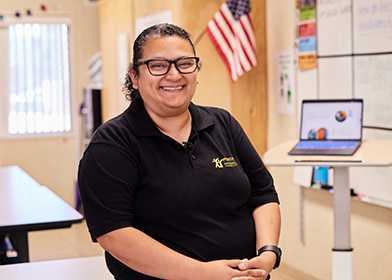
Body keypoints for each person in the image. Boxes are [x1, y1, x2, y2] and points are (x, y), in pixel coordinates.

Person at [78, 23, 281, 280]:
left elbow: (263, 194)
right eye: (158, 65)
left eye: (185, 63)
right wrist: (204, 273)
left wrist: (267, 254)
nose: (174, 75)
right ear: (134, 77)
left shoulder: (222, 124)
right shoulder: (112, 144)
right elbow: (114, 233)